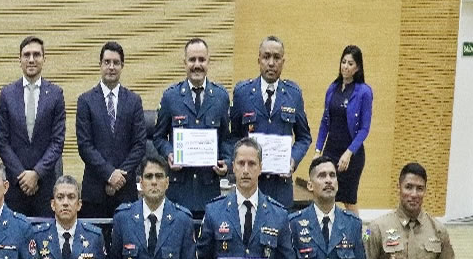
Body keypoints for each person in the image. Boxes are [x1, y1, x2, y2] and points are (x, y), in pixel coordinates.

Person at [151, 38, 232, 218]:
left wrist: (226, 163)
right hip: (179, 190)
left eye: (201, 60)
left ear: (208, 62)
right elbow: (158, 137)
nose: (197, 65)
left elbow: (227, 139)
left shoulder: (220, 97)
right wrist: (169, 153)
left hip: (209, 191)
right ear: (184, 63)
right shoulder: (170, 97)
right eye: (192, 60)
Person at [230, 36, 312, 209]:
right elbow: (233, 136)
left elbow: (304, 137)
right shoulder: (242, 93)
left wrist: (293, 160)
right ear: (259, 59)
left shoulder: (293, 94)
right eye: (266, 57)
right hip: (250, 184)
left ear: (283, 61)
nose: (271, 63)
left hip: (280, 187)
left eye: (276, 58)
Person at [0, 36, 66, 217]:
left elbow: (57, 142)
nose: (31, 59)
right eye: (26, 55)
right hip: (14, 184)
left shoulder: (56, 95)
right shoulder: (7, 94)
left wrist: (36, 174)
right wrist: (22, 175)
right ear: (19, 60)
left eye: (36, 54)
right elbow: (2, 142)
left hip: (45, 185)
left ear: (44, 59)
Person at [75, 41, 147, 218]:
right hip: (94, 192)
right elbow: (85, 146)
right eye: (107, 62)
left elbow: (139, 145)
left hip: (126, 190)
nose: (111, 67)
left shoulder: (134, 101)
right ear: (100, 65)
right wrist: (109, 174)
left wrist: (119, 177)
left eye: (116, 62)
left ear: (122, 66)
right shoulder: (85, 101)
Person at [314, 45, 373, 214]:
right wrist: (318, 150)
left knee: (349, 201)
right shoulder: (332, 89)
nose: (346, 66)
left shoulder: (364, 92)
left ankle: (362, 237)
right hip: (331, 151)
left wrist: (348, 153)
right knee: (324, 197)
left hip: (351, 156)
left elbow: (364, 128)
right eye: (343, 62)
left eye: (350, 63)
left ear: (358, 68)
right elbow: (325, 122)